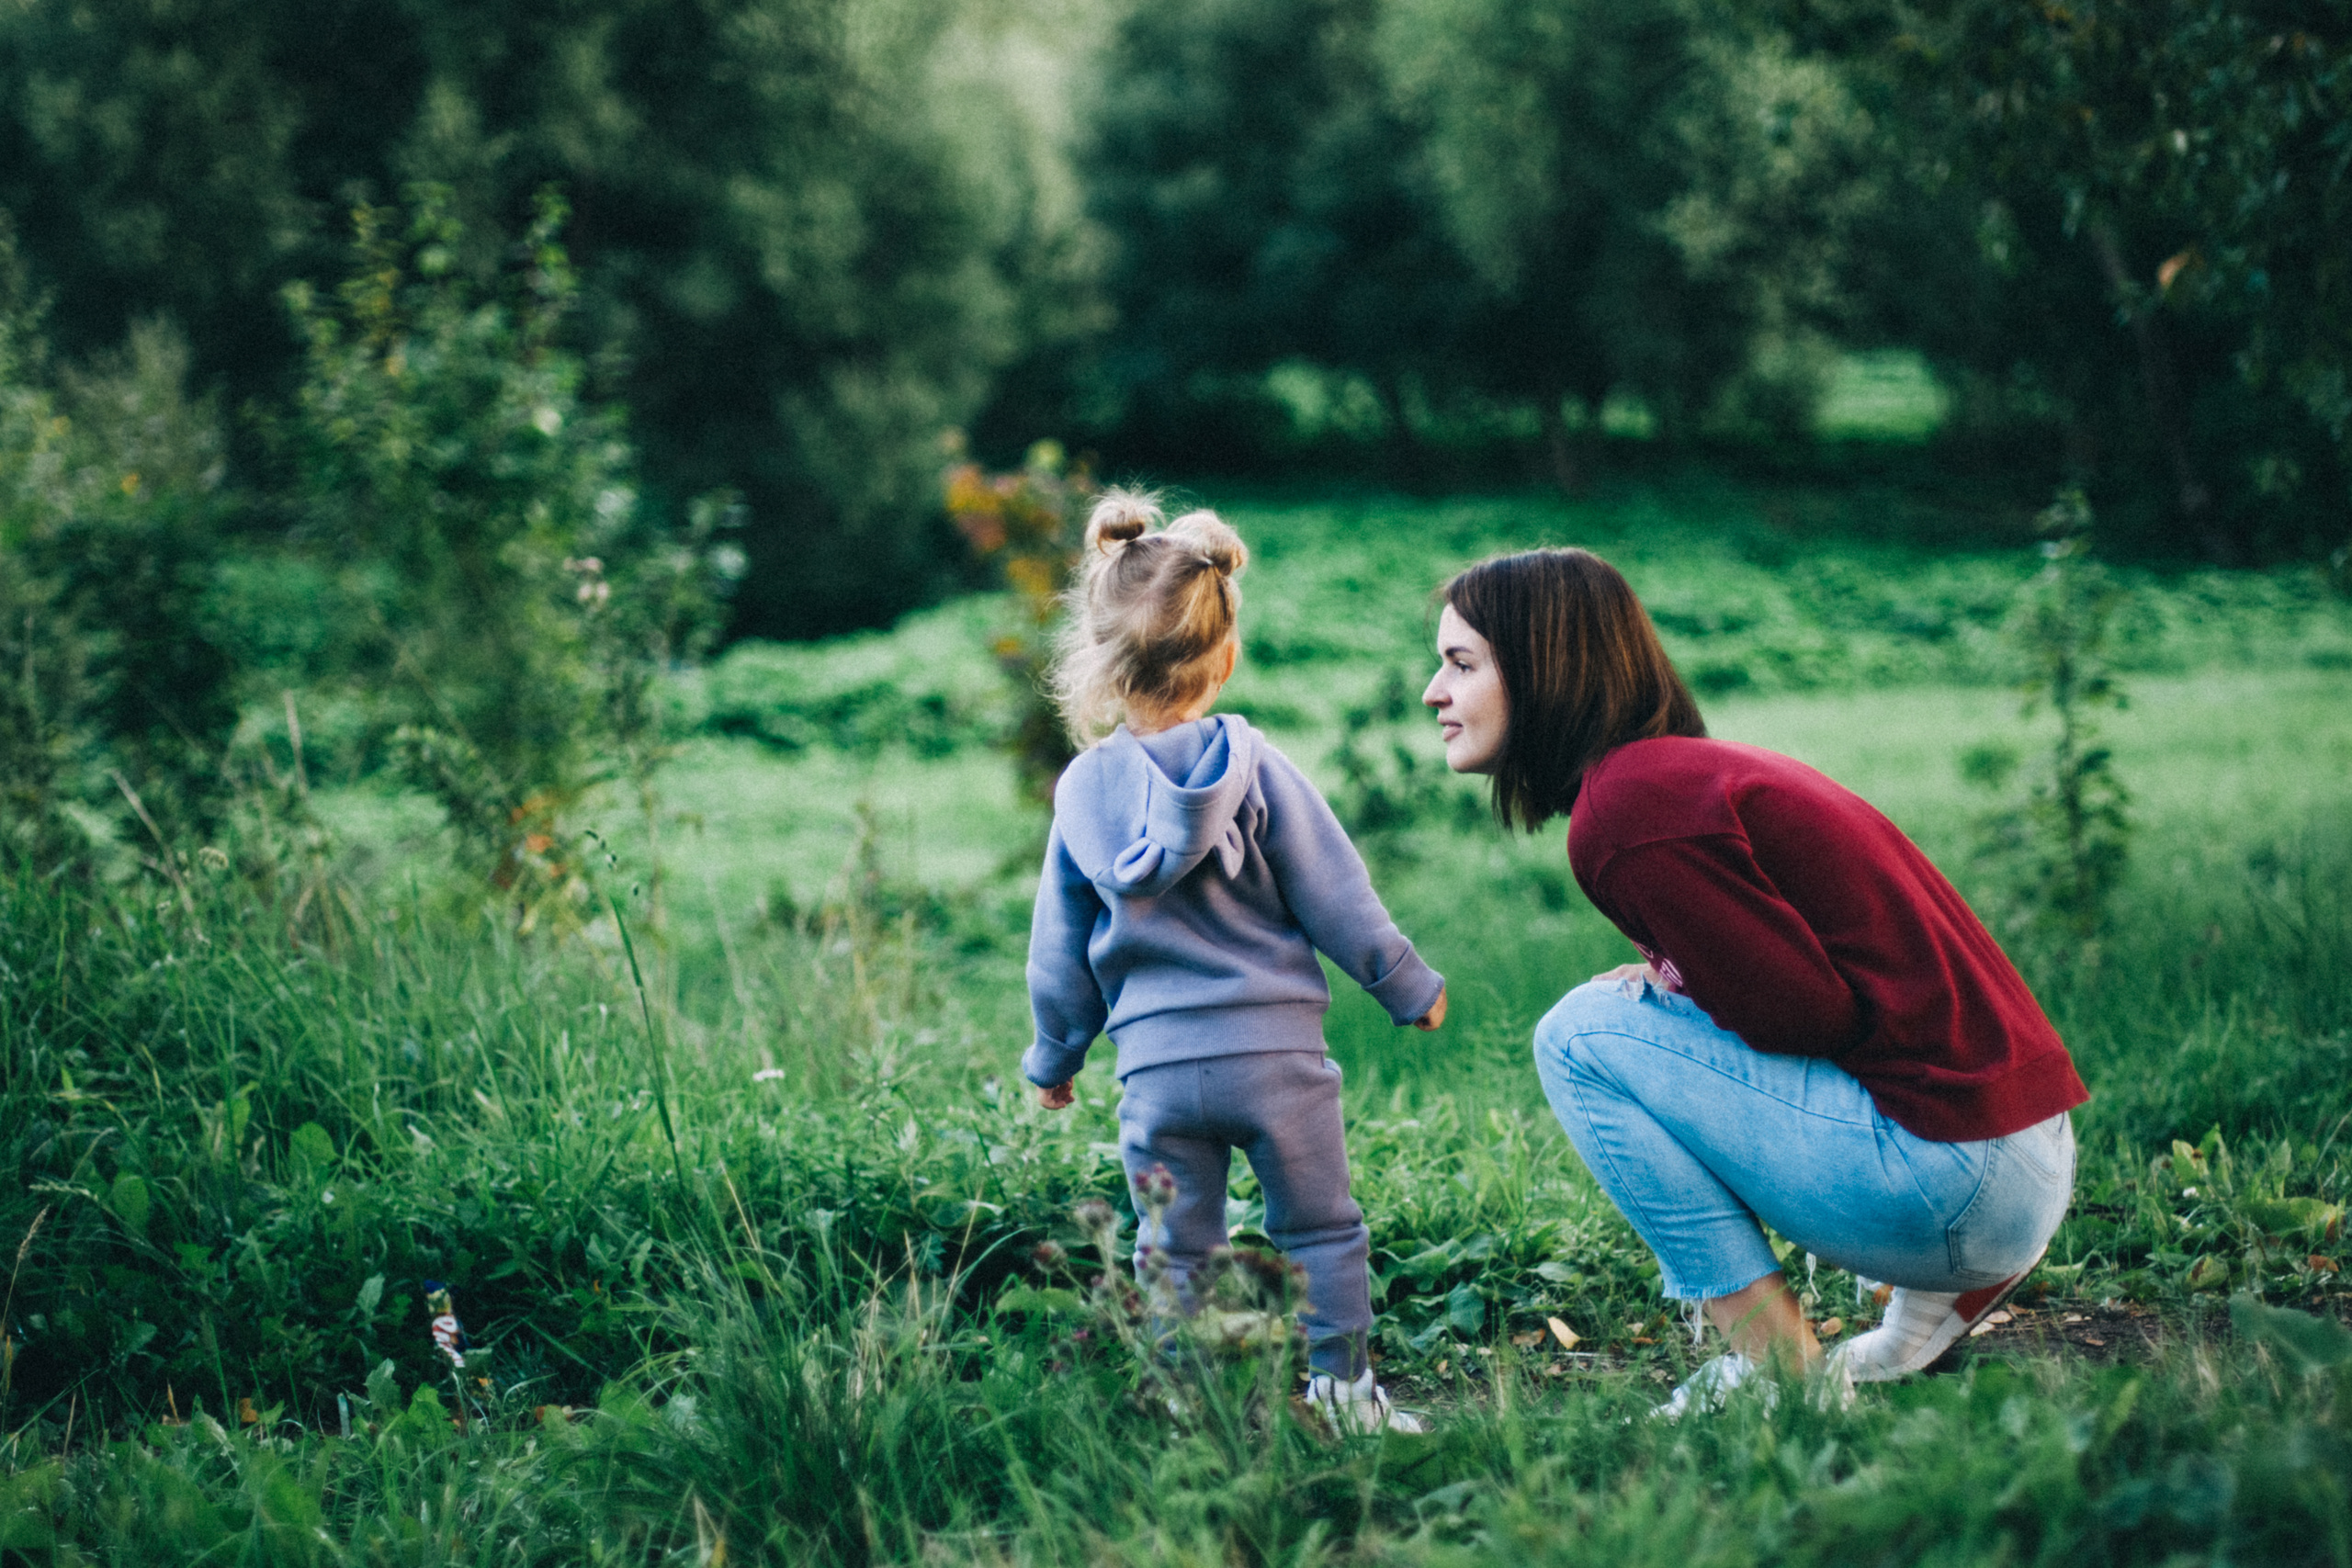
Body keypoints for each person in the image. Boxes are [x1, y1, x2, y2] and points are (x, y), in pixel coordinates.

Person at [1419, 547, 2086, 1411]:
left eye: (1461, 664)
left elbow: (1803, 1012)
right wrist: (1687, 971)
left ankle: (1776, 1370)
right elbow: (1841, 985)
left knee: (1580, 1036)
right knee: (1617, 1016)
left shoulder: (1623, 811)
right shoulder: (1683, 775)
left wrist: (1678, 980)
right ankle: (1933, 1305)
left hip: (1955, 1183)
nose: (1434, 692)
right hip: (2026, 1155)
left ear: (1547, 670)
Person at [1024, 490, 1448, 1433]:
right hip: (1276, 1059)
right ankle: (1343, 1394)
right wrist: (1405, 987)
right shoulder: (1257, 769)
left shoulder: (1082, 794)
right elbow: (1335, 893)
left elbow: (1058, 950)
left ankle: (1187, 1401)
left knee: (1174, 1250)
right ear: (1223, 654)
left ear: (1099, 659)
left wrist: (1056, 1058)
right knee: (1322, 1229)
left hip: (1157, 1072)